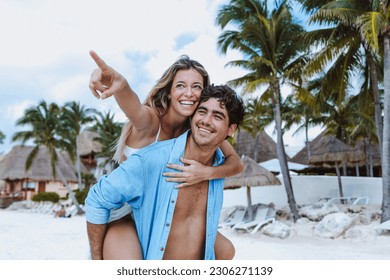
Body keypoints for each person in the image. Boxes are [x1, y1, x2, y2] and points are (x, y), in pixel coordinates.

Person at [88, 51, 244, 260]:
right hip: (125, 211)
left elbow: (236, 164)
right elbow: (133, 107)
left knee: (226, 251)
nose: (188, 93)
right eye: (180, 85)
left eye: (196, 87)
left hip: (160, 208)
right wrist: (120, 85)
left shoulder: (200, 127)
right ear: (169, 91)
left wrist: (206, 172)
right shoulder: (151, 121)